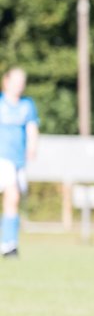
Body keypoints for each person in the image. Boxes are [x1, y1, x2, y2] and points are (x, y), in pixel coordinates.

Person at [0, 67, 39, 259]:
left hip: (18, 161)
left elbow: (32, 127)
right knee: (12, 194)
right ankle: (8, 244)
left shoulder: (27, 105)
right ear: (6, 81)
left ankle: (9, 244)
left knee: (12, 199)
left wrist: (32, 147)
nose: (19, 85)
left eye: (22, 81)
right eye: (15, 81)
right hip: (1, 158)